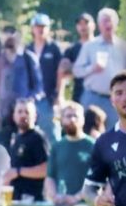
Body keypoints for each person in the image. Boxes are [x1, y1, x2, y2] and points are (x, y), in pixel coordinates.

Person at [83, 71, 126, 206]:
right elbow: (89, 189)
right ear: (112, 100)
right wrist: (97, 201)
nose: (125, 98)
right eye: (119, 93)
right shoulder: (104, 142)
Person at [73, 8, 126, 131]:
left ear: (116, 23)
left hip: (116, 99)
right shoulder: (90, 46)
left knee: (116, 134)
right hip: (92, 97)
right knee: (90, 133)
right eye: (104, 21)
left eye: (110, 20)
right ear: (99, 25)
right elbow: (77, 71)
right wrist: (92, 68)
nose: (108, 24)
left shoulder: (123, 47)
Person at [45, 102, 94, 206]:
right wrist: (54, 196)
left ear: (83, 119)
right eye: (68, 116)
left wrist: (76, 198)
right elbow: (50, 177)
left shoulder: (93, 146)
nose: (72, 119)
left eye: (75, 116)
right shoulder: (57, 146)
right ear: (62, 120)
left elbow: (97, 179)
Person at [26, 13, 64, 144]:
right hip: (31, 99)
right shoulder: (28, 49)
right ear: (33, 28)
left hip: (49, 99)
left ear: (48, 29)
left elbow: (61, 74)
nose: (40, 29)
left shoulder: (54, 49)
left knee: (52, 134)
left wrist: (58, 96)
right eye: (38, 26)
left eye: (43, 26)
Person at [2, 98, 49, 202]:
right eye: (20, 112)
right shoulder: (16, 139)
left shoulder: (37, 138)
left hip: (32, 200)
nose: (23, 115)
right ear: (14, 116)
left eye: (27, 112)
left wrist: (18, 172)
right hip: (15, 198)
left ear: (35, 116)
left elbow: (46, 169)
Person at [61, 13, 95, 104]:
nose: (83, 26)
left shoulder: (101, 47)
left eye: (86, 23)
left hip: (100, 94)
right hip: (79, 94)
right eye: (80, 24)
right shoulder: (71, 49)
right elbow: (64, 70)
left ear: (93, 25)